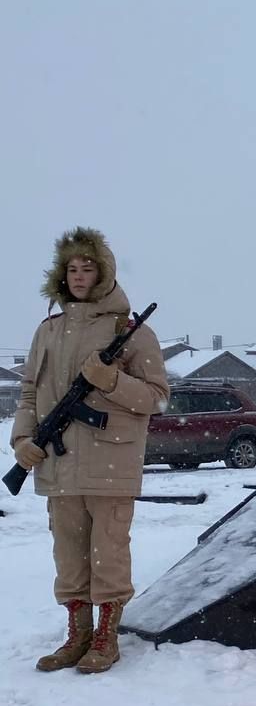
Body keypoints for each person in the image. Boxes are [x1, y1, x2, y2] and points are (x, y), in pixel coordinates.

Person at [11, 227, 168, 674]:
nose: (79, 277)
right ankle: (77, 635)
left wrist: (110, 380)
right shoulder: (49, 331)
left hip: (111, 463)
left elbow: (156, 397)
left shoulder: (131, 332)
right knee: (69, 555)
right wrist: (23, 441)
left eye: (88, 268)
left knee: (109, 552)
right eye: (72, 269)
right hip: (58, 465)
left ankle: (106, 637)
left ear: (104, 272)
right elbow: (27, 394)